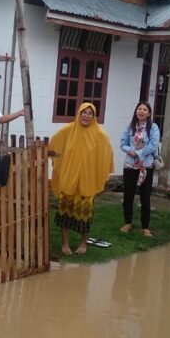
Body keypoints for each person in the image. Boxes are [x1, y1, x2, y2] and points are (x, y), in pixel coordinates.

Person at [49, 103, 114, 255]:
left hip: (87, 180)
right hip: (69, 178)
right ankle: (64, 243)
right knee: (65, 212)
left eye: (90, 113)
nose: (86, 116)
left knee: (85, 214)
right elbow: (54, 144)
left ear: (94, 116)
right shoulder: (68, 130)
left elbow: (107, 154)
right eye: (83, 113)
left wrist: (100, 172)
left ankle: (83, 243)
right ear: (79, 114)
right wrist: (57, 160)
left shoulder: (100, 135)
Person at [119, 102, 160, 237]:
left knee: (145, 197)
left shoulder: (153, 128)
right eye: (139, 109)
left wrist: (139, 153)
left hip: (146, 166)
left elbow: (153, 145)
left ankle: (145, 226)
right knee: (128, 196)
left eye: (145, 109)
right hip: (130, 166)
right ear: (136, 111)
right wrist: (129, 150)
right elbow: (123, 143)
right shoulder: (130, 127)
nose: (141, 111)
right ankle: (127, 222)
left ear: (149, 113)